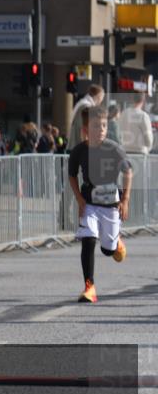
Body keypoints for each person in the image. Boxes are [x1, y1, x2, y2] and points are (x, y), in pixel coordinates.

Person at [68, 105, 132, 304]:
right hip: (89, 203)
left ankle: (116, 243)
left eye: (104, 125)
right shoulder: (79, 151)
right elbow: (72, 176)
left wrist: (125, 200)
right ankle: (90, 287)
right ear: (86, 129)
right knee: (88, 240)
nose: (101, 130)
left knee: (108, 250)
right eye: (96, 126)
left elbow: (128, 172)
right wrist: (79, 199)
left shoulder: (114, 149)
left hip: (110, 204)